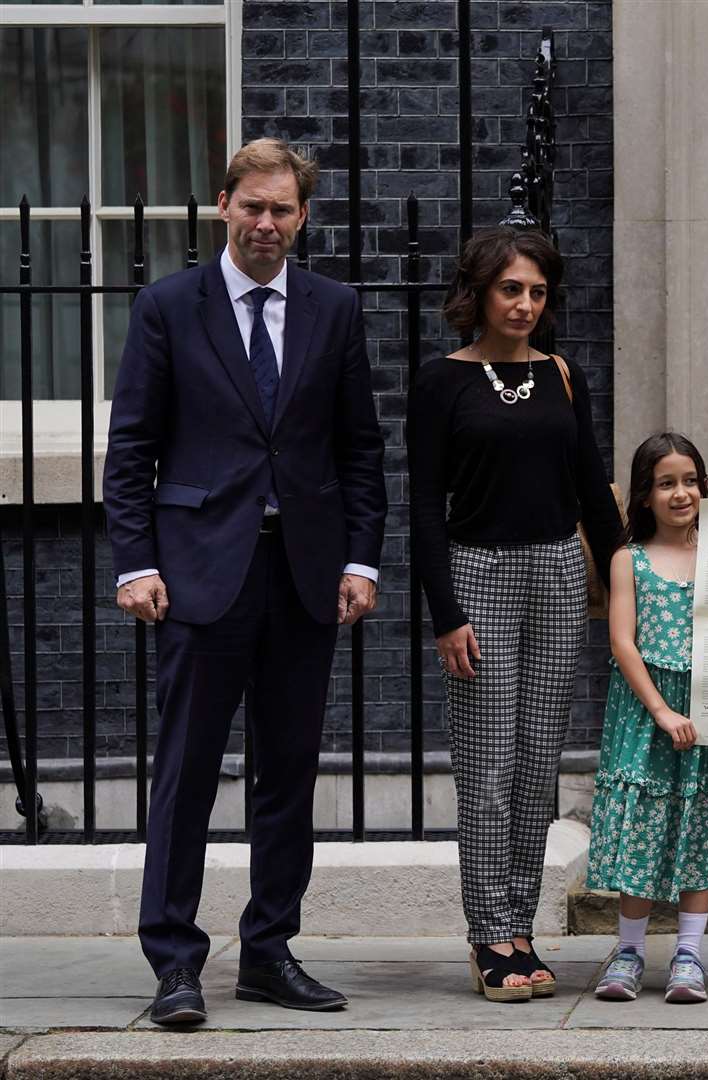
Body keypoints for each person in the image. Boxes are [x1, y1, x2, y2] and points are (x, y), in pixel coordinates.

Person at [104, 137, 387, 1025]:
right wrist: (138, 563)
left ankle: (268, 951)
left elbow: (360, 449)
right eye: (252, 206)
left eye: (283, 210)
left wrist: (359, 557)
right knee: (186, 771)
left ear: (302, 218)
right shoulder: (167, 307)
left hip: (302, 573)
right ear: (222, 204)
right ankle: (176, 963)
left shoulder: (334, 309)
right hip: (197, 574)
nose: (266, 223)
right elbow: (133, 451)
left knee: (288, 773)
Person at [407, 225, 622, 1003]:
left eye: (537, 291)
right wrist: (446, 614)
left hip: (559, 572)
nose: (525, 303)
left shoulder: (563, 375)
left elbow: (594, 489)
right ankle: (487, 932)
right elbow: (426, 506)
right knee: (487, 769)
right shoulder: (442, 382)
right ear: (479, 295)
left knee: (538, 765)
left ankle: (520, 927)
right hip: (480, 574)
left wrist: (631, 572)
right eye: (511, 289)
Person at [587, 433, 708, 1005]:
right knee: (642, 825)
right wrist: (660, 709)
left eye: (691, 480)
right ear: (645, 496)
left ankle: (688, 955)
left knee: (698, 819)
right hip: (646, 710)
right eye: (666, 483)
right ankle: (628, 951)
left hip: (706, 711)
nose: (681, 493)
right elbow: (622, 642)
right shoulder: (629, 559)